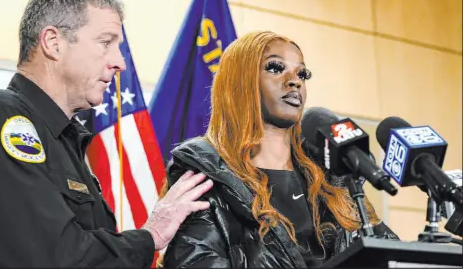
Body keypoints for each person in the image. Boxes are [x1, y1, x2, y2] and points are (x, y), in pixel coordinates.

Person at [0, 0, 213, 268]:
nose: (120, 62)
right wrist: (150, 236)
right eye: (106, 42)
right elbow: (53, 257)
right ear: (53, 43)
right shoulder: (0, 119)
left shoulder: (65, 139)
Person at [159, 31, 399, 268]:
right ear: (240, 81)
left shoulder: (332, 174)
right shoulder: (205, 172)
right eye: (275, 68)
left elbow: (391, 254)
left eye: (302, 74)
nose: (294, 81)